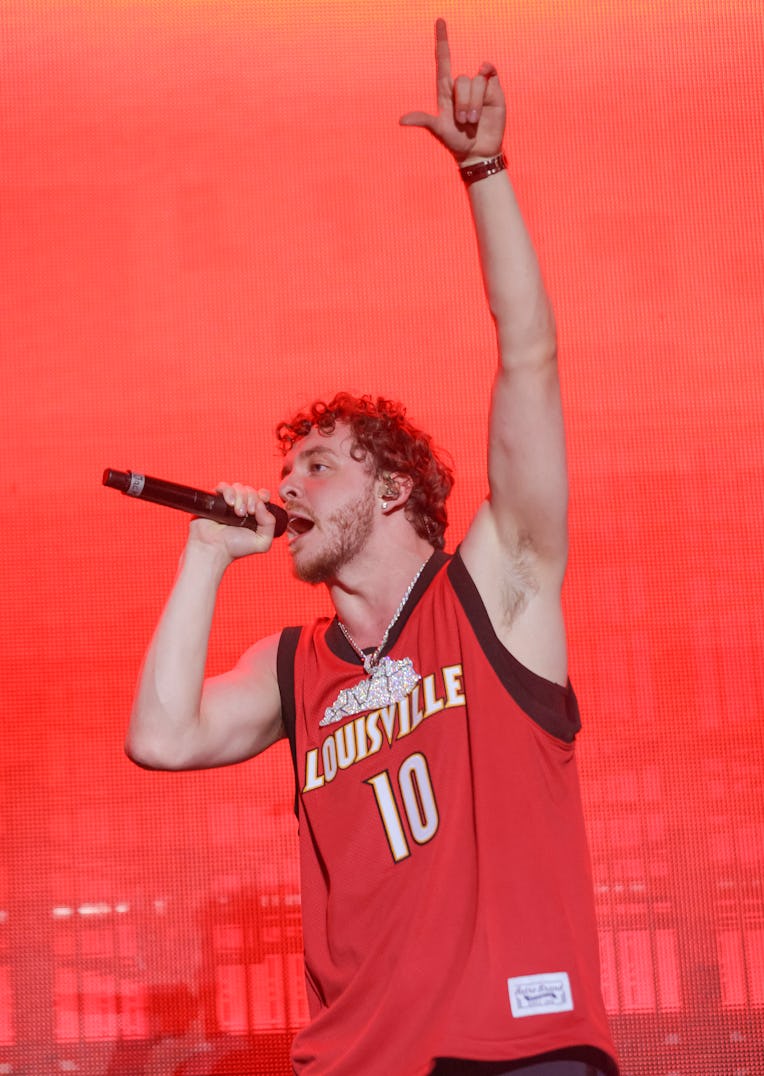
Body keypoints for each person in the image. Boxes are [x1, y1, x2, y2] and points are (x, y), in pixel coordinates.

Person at [126, 19, 620, 1076]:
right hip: (352, 1062)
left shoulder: (493, 588)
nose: (289, 483)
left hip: (512, 1050)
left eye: (319, 463)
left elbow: (528, 360)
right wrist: (205, 557)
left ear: (393, 489)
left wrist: (481, 169)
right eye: (288, 467)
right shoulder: (296, 666)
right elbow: (161, 737)